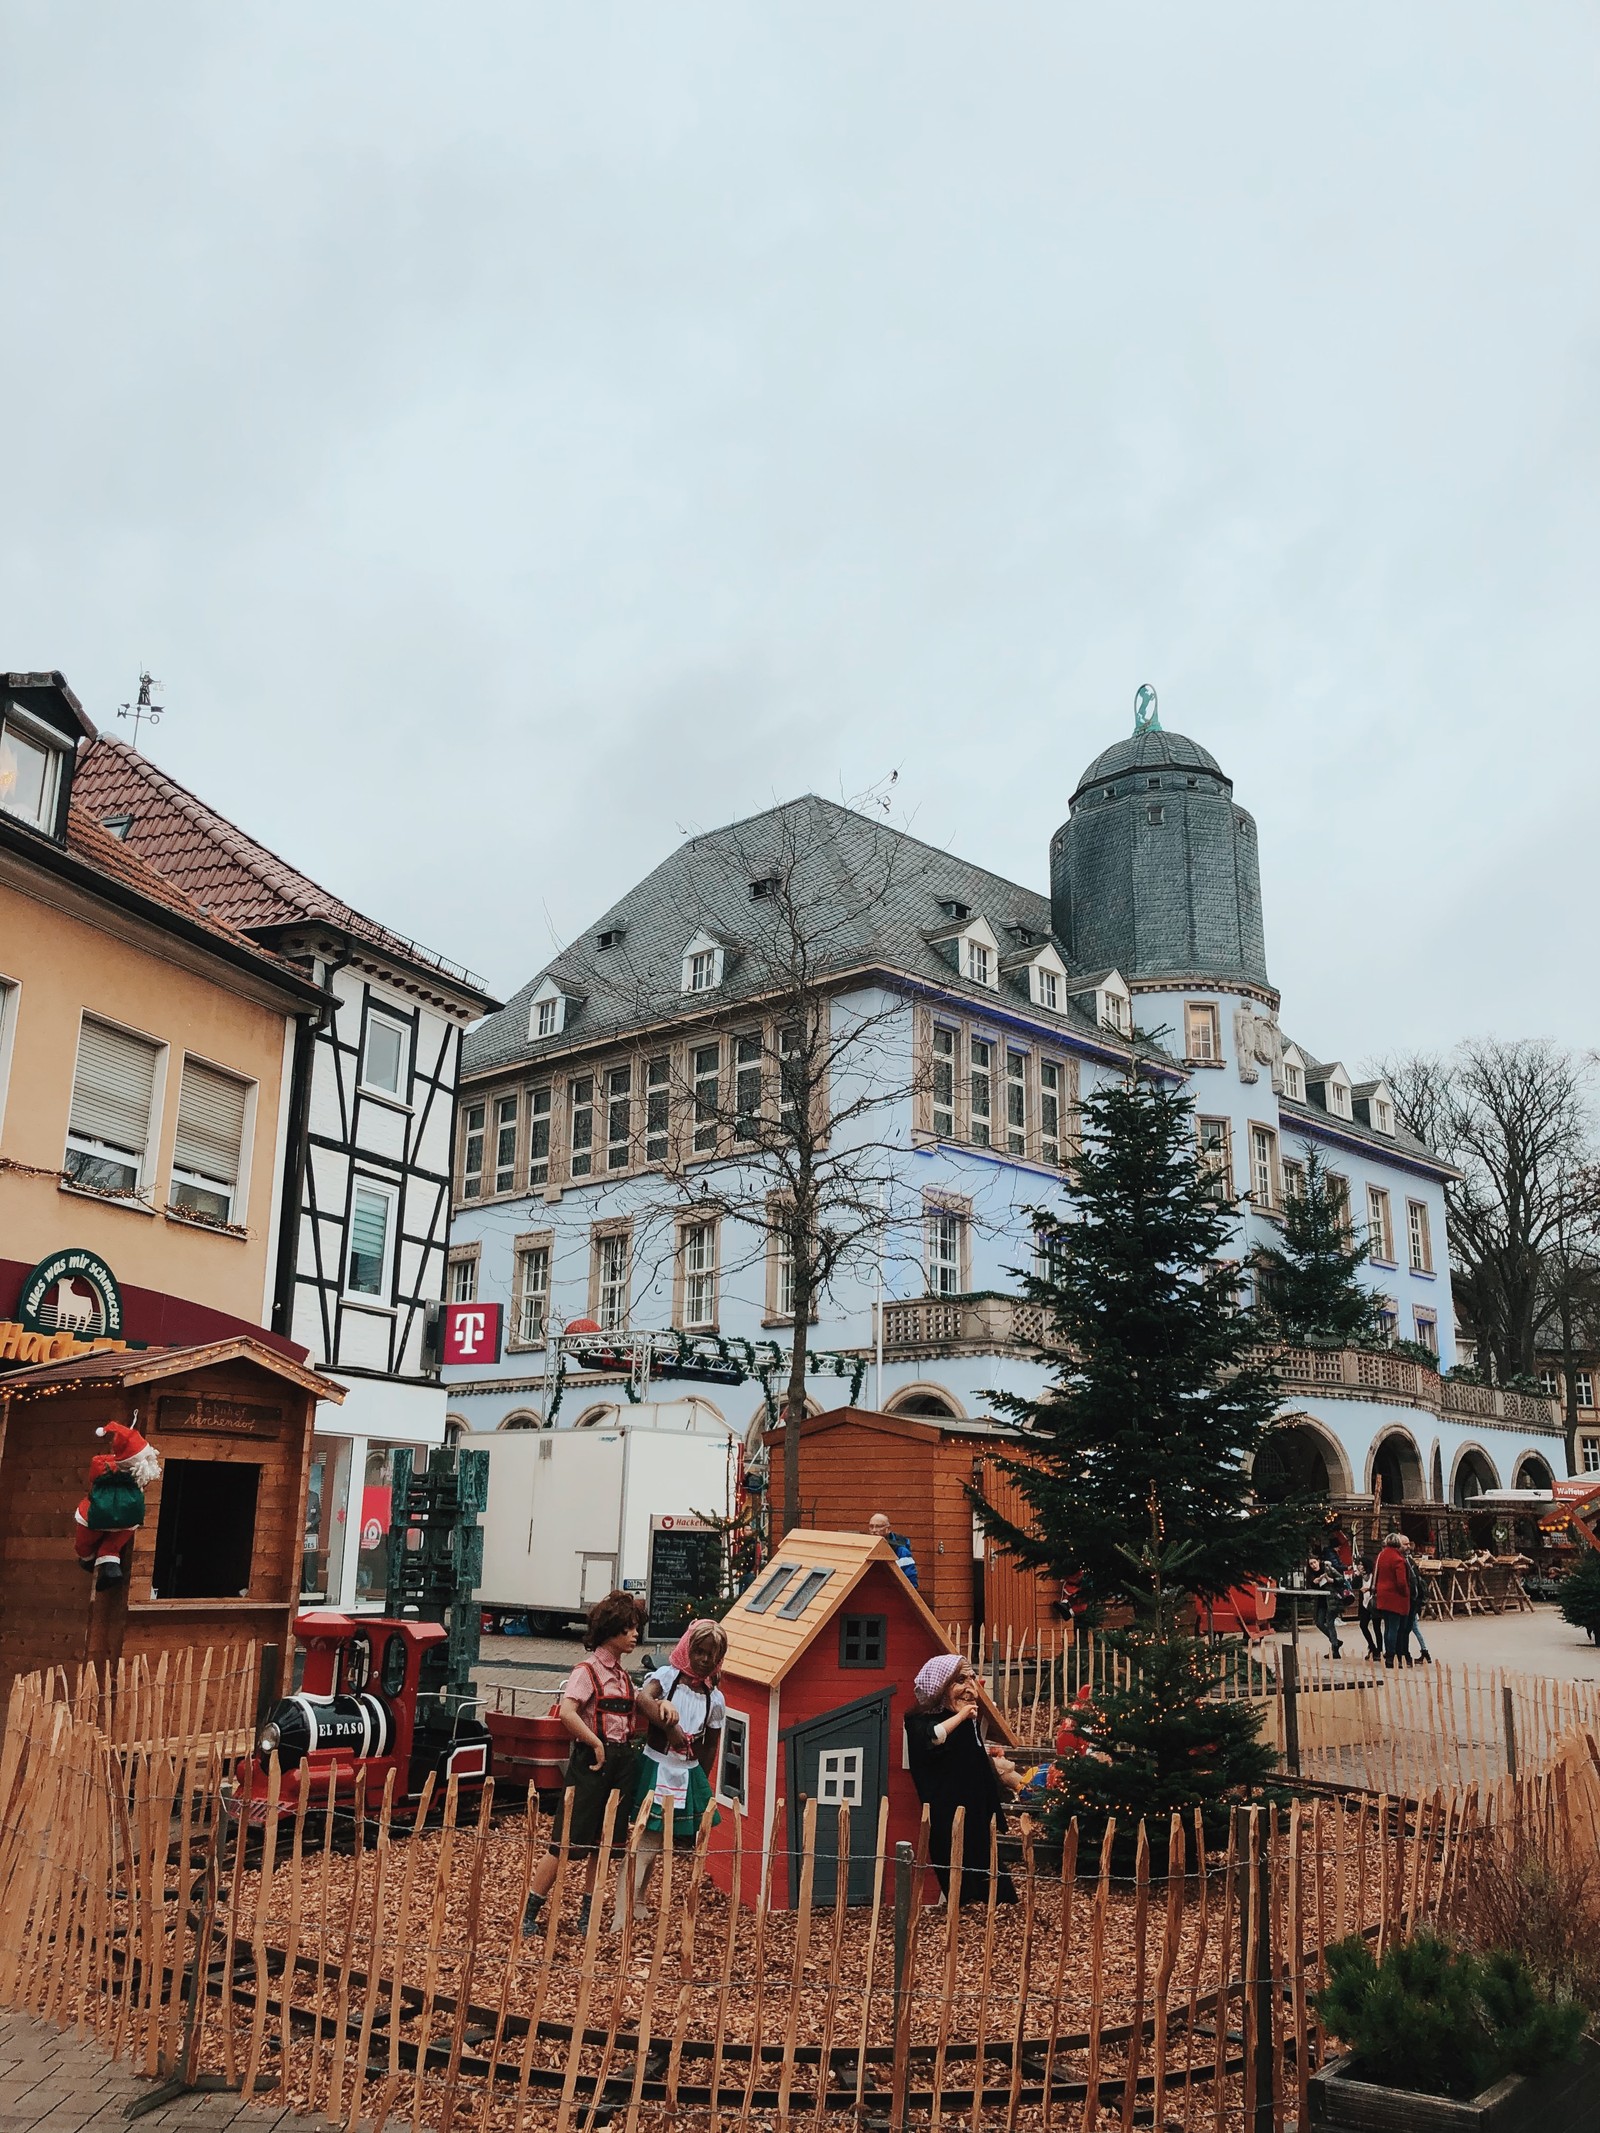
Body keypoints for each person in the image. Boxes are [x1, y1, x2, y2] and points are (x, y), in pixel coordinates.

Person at [520, 1589, 643, 1940]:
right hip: (591, 1764)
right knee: (565, 1840)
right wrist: (593, 1741)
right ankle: (531, 1910)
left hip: (621, 1763)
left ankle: (587, 1915)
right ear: (611, 1630)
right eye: (629, 1628)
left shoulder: (623, 1676)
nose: (636, 1635)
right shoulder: (587, 1671)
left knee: (605, 1842)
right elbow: (567, 1713)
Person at [618, 1618, 728, 1929]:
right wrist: (668, 1725)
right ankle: (622, 1908)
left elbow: (710, 1746)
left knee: (659, 1839)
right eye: (700, 1652)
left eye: (712, 1655)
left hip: (685, 1772)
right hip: (659, 1767)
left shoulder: (714, 1699)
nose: (705, 1660)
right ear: (688, 1649)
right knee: (648, 1837)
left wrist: (700, 1783)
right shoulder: (668, 1678)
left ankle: (638, 1898)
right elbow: (643, 1699)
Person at [903, 1653, 1016, 1906]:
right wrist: (962, 1716)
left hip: (976, 1809)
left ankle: (994, 1907)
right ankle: (962, 1909)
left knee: (988, 1865)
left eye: (971, 1679)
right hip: (947, 1813)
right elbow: (934, 1736)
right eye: (960, 1680)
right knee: (955, 1865)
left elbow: (972, 1758)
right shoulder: (918, 1721)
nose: (969, 1687)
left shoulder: (968, 1721)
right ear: (940, 1687)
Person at [1372, 1531, 1412, 1668]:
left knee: (1388, 1627)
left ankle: (1388, 1654)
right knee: (1394, 1628)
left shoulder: (1381, 1556)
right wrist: (1406, 1593)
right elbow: (1401, 1582)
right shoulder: (1398, 1559)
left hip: (1383, 1595)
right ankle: (1392, 1656)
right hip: (1395, 1597)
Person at [1306, 1544, 1347, 1656]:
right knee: (1319, 1623)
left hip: (1331, 1599)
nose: (1313, 1565)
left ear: (1318, 1561)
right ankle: (1336, 1641)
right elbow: (1310, 1587)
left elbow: (1341, 1579)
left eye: (1314, 1562)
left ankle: (1335, 1650)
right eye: (1311, 1564)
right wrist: (1313, 1582)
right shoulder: (1310, 1574)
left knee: (1330, 1623)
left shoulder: (1328, 1568)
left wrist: (1331, 1580)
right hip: (1321, 1601)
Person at [1399, 1536, 1433, 1663]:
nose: (1408, 1546)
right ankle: (1422, 1651)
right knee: (1412, 1627)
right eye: (1405, 1544)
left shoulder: (1409, 1561)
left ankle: (1423, 1652)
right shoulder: (1407, 1561)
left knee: (1412, 1627)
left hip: (1413, 1599)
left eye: (1408, 1544)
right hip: (1412, 1598)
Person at [868, 1512, 919, 1589]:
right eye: (871, 1526)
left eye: (878, 1527)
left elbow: (911, 1581)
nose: (874, 1530)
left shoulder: (901, 1551)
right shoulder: (867, 1547)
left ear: (888, 1529)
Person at [1351, 1549, 1382, 1660]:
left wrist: (1368, 1589)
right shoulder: (1360, 1577)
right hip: (1364, 1604)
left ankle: (1379, 1650)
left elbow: (1378, 1588)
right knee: (1363, 1625)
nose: (1360, 1566)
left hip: (1373, 1603)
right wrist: (1357, 1575)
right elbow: (1353, 1586)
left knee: (1376, 1627)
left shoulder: (1374, 1575)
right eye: (1358, 1564)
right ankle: (1372, 1646)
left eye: (1361, 1564)